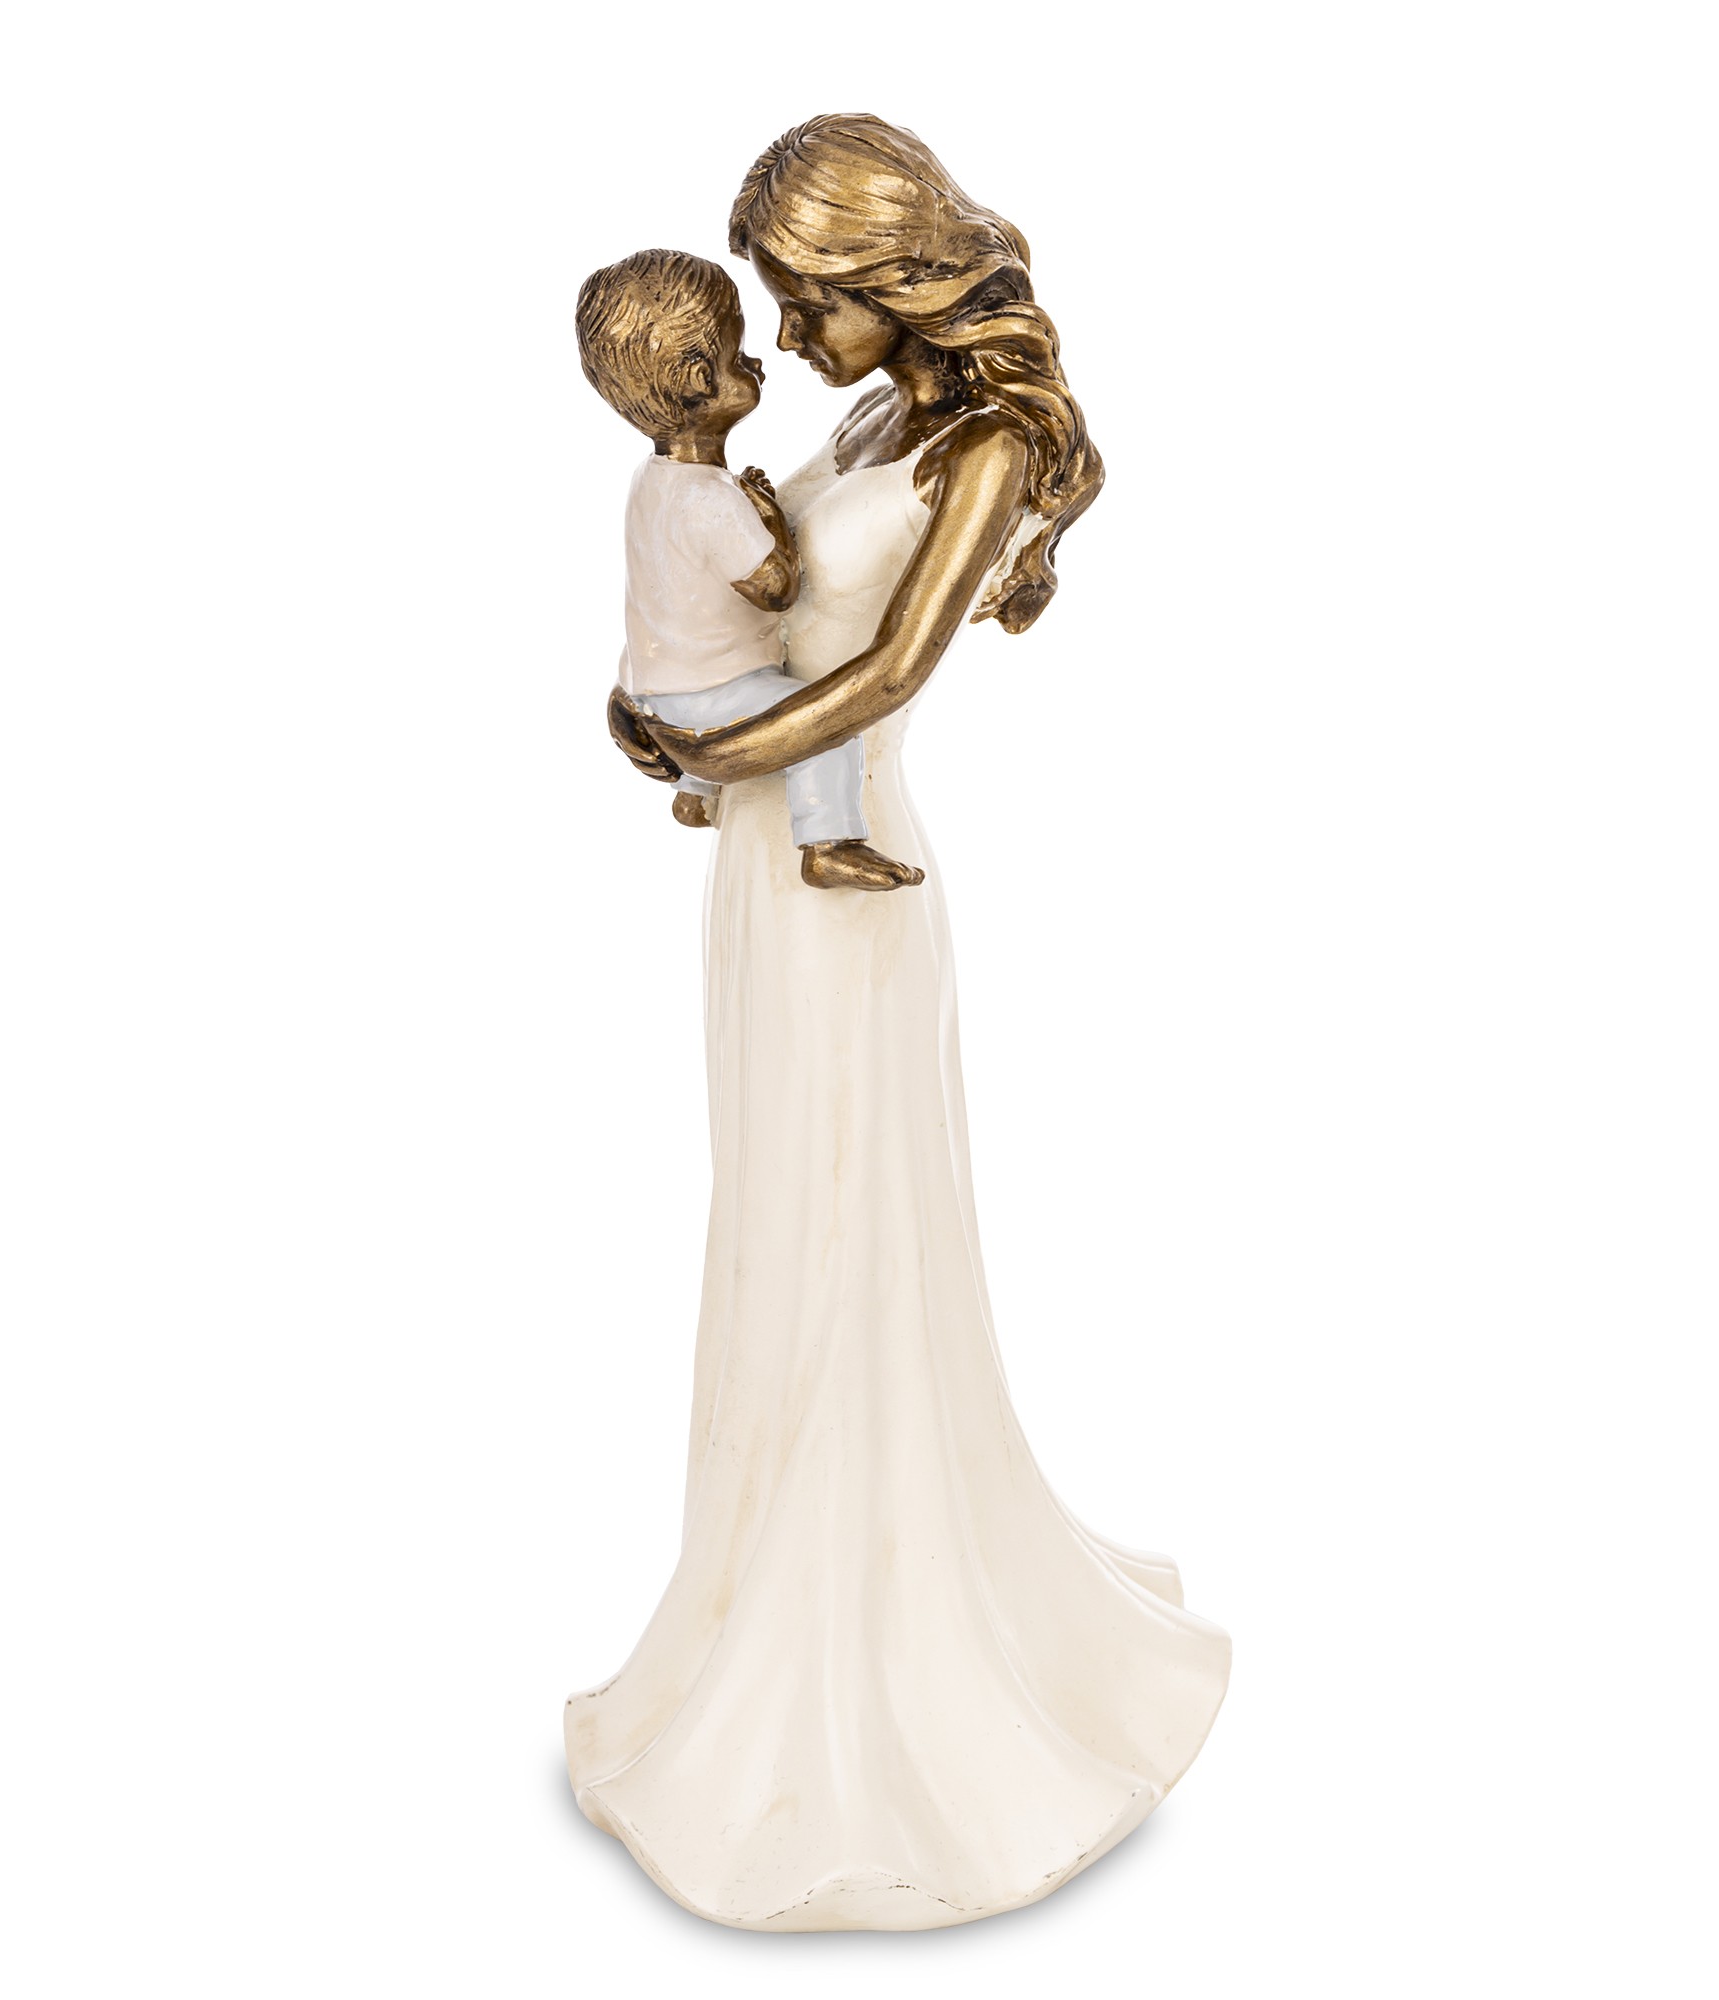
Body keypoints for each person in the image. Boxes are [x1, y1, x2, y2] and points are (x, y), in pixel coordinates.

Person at [569, 117, 1230, 1932]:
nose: (785, 342)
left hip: (851, 884)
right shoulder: (870, 418)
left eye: (807, 303)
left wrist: (714, 748)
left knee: (845, 1221)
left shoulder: (991, 447)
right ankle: (759, 1623)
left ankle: (883, 1674)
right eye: (770, 308)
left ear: (894, 280)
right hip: (768, 870)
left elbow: (882, 672)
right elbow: (721, 604)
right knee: (776, 1218)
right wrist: (650, 710)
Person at [575, 248, 923, 892]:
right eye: (738, 358)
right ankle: (830, 842)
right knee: (824, 727)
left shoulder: (649, 481)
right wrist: (768, 516)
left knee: (718, 683)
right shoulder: (712, 499)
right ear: (697, 379)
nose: (759, 361)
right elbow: (777, 589)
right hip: (713, 692)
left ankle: (694, 792)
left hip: (650, 684)